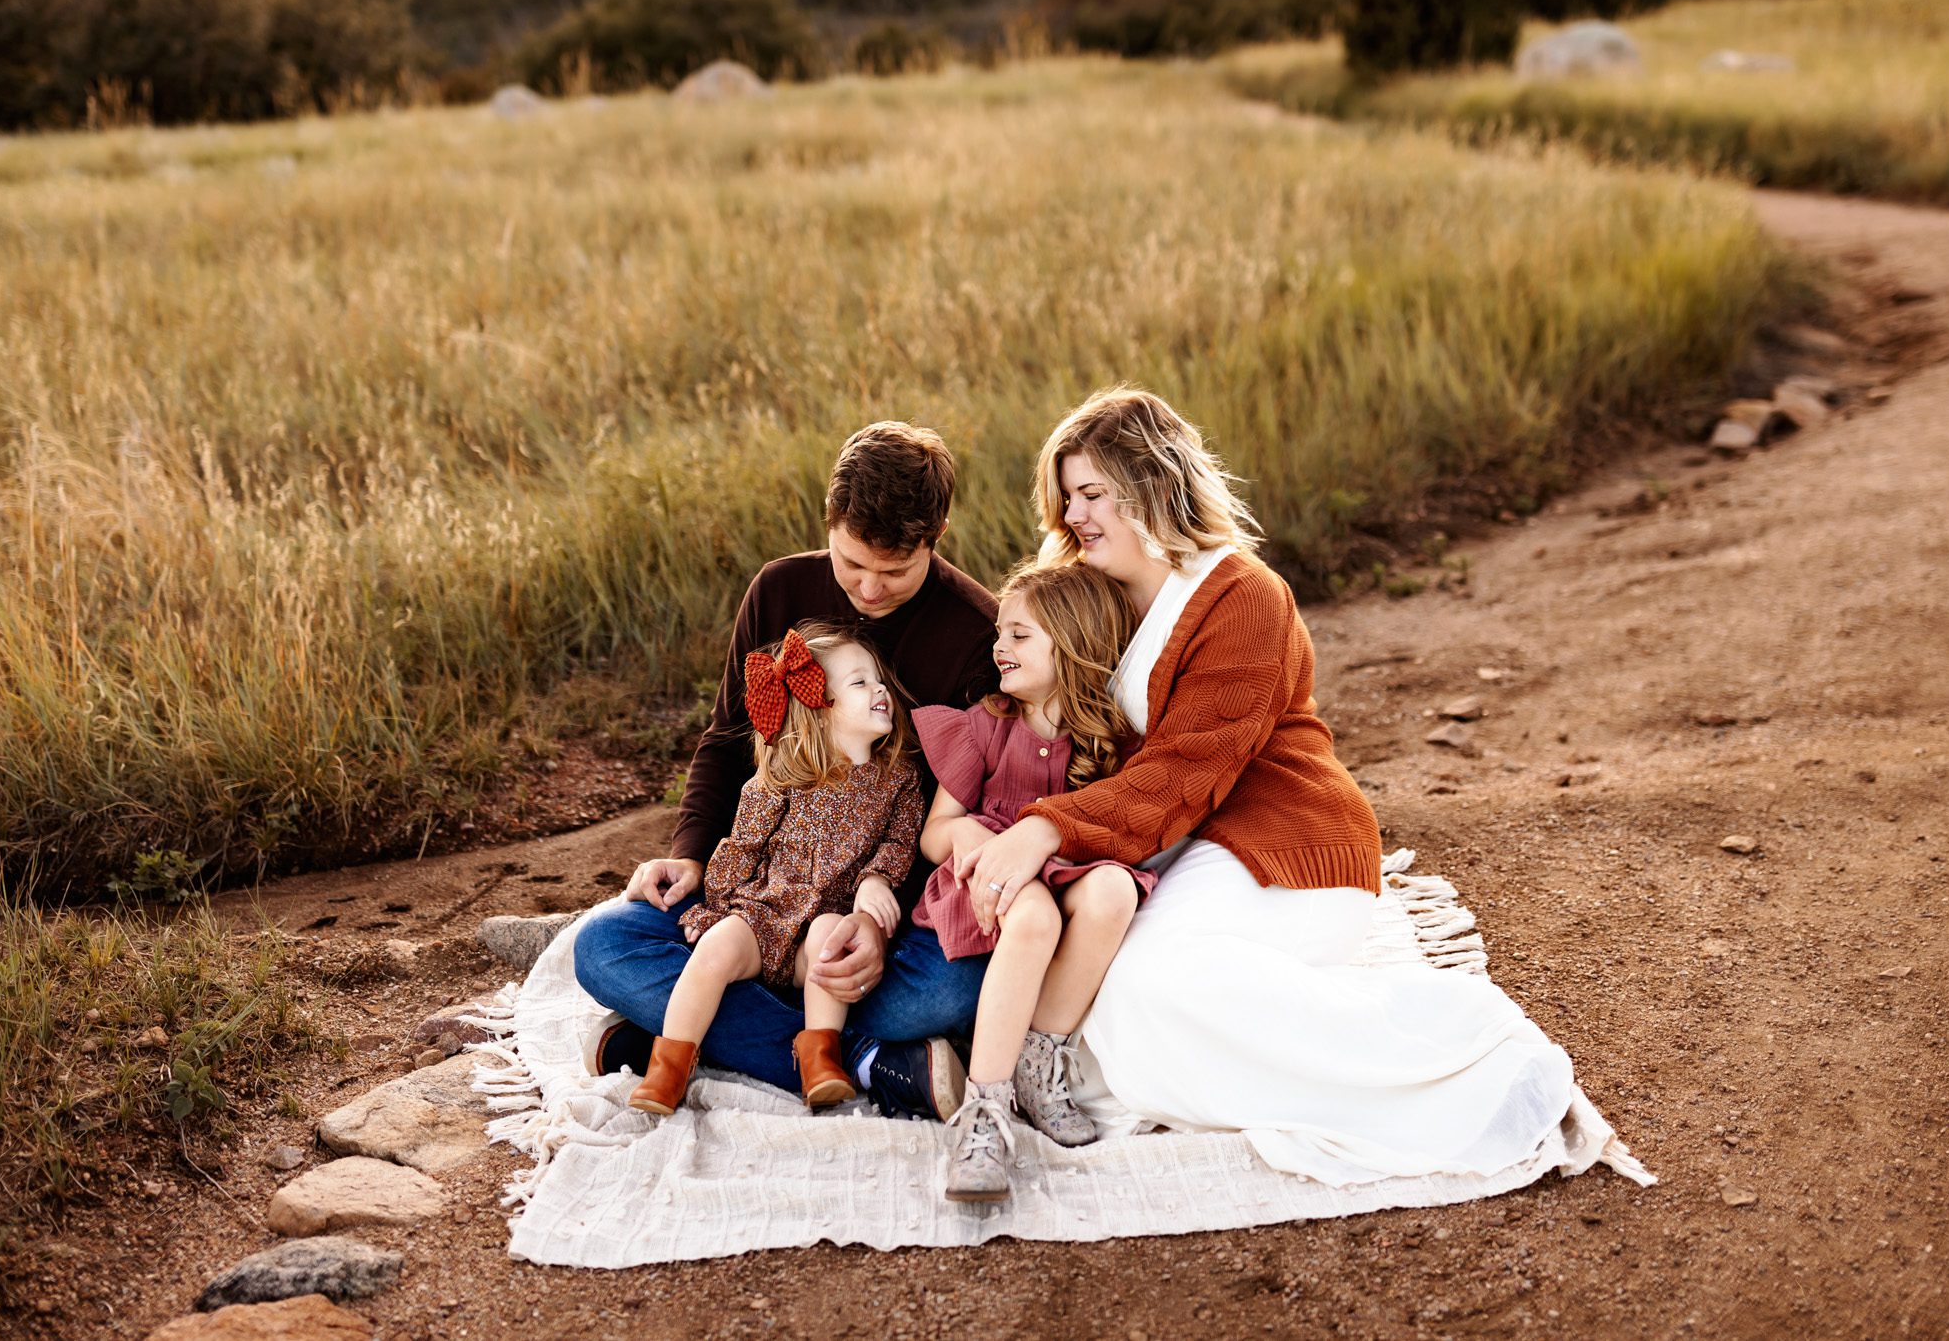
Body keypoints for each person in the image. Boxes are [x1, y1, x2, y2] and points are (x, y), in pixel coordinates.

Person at [955, 386, 1584, 1185]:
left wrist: (1043, 827)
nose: (1074, 516)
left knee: (1145, 992)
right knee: (1104, 999)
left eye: (1093, 493)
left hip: (1286, 845)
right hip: (1163, 851)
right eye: (1066, 497)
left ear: (1153, 484)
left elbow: (1183, 774)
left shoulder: (1243, 596)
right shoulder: (1093, 592)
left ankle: (1450, 1054)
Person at [574, 422, 999, 1119]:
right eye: (851, 561)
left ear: (939, 534)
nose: (868, 587)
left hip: (873, 910)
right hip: (763, 894)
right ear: (827, 521)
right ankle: (866, 1061)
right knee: (600, 947)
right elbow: (724, 741)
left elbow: (961, 810)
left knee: (945, 991)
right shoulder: (778, 589)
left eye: (894, 572)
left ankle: (677, 1032)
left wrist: (876, 921)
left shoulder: (975, 634)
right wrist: (688, 858)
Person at [909, 561, 1153, 1202]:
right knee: (1036, 915)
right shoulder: (986, 723)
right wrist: (963, 835)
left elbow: (1121, 826)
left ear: (1071, 642)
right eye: (999, 633)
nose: (998, 648)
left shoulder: (1110, 736)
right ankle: (984, 1112)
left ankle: (1038, 1059)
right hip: (993, 866)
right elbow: (937, 831)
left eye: (1019, 635)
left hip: (1069, 858)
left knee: (1114, 892)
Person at [627, 627, 923, 1116]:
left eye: (878, 680)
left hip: (825, 920)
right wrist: (718, 906)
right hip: (763, 913)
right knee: (714, 950)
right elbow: (743, 843)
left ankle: (821, 1059)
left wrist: (877, 879)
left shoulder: (899, 779)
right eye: (859, 683)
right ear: (819, 705)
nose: (880, 690)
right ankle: (669, 1067)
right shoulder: (786, 775)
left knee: (832, 941)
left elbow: (901, 840)